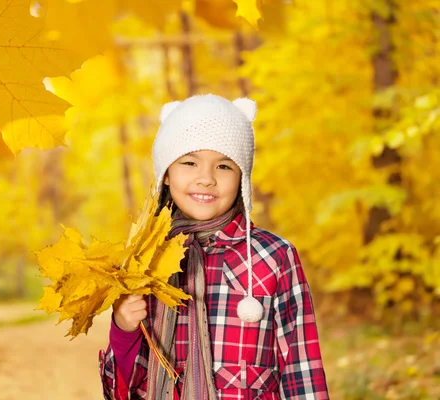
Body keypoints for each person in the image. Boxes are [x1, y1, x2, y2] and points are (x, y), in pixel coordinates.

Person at [98, 94, 329, 399]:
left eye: (223, 166)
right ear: (166, 173)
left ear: (242, 178)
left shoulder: (274, 257)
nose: (206, 178)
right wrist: (124, 328)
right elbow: (127, 386)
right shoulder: (145, 259)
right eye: (189, 162)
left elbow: (301, 369)